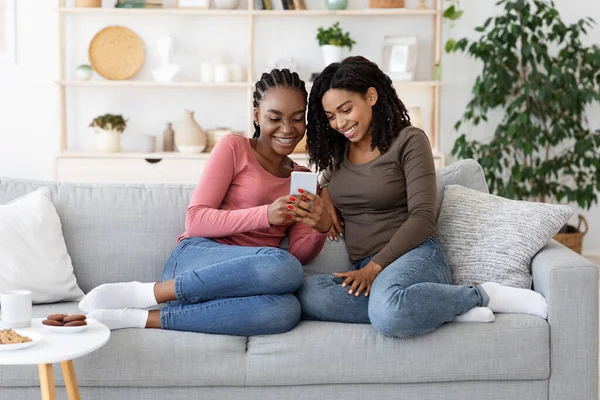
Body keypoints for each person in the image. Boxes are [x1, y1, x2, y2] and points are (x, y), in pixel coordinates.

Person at [296, 56, 548, 338]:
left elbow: (423, 218)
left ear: (371, 96)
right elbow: (326, 180)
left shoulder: (409, 140)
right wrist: (326, 192)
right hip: (364, 268)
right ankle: (432, 309)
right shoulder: (340, 153)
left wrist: (374, 268)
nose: (340, 123)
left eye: (346, 109)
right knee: (305, 294)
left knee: (388, 311)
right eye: (331, 116)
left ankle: (480, 296)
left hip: (415, 257)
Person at [79, 69, 331, 335]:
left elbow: (299, 255)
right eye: (274, 118)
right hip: (195, 261)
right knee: (286, 268)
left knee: (286, 310)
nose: (287, 129)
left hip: (245, 282)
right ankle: (145, 293)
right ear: (257, 115)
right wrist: (266, 215)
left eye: (296, 119)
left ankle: (137, 319)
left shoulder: (303, 179)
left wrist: (321, 226)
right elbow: (196, 220)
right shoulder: (234, 148)